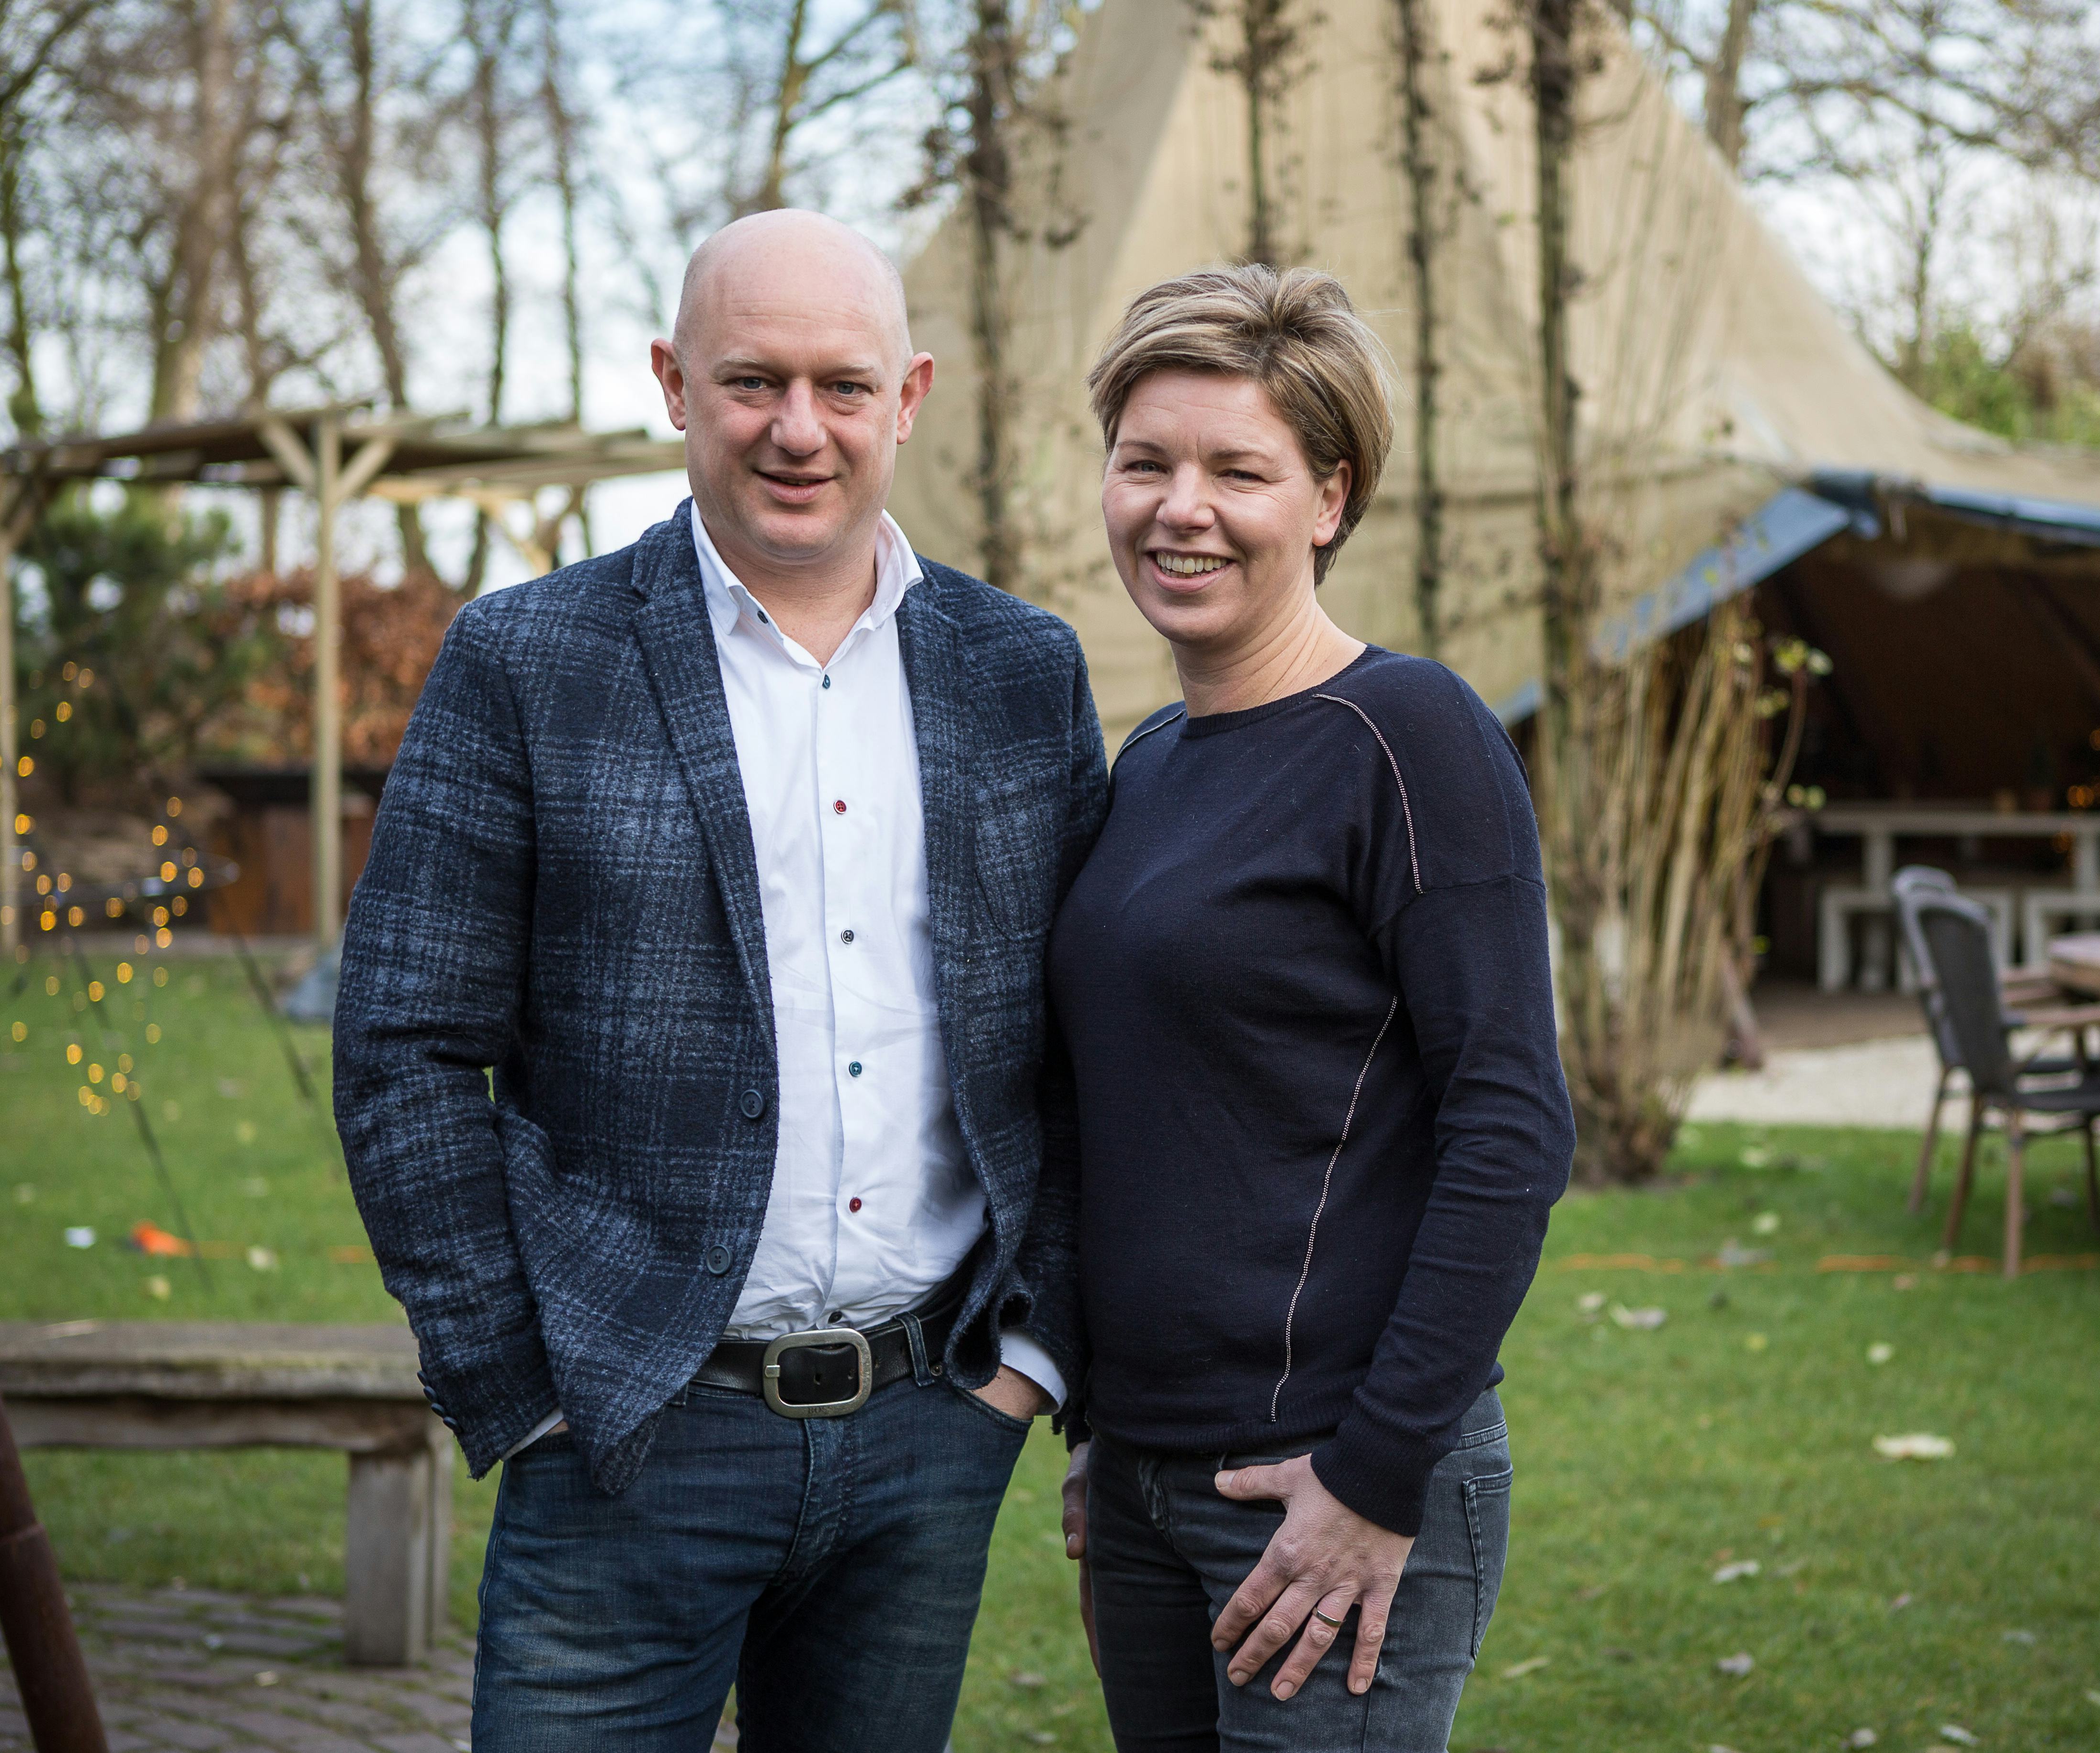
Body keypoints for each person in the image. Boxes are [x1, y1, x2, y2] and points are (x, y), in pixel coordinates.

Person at [331, 209, 1107, 1750]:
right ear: (674, 384)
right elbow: (403, 1040)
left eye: (842, 384)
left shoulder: (1023, 674)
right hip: (623, 1440)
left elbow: (1088, 1047)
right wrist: (520, 1391)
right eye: (753, 381)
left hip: (929, 1435)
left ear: (908, 396)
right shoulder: (528, 662)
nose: (797, 429)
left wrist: (1027, 1365)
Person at [1048, 262, 1575, 1753]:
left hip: (1328, 1478)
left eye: (1239, 471)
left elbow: (1510, 1126)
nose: (1180, 510)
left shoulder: (1407, 736)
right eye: (1144, 463)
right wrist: (1104, 1426)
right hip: (1143, 1479)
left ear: (1329, 499)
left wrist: (1376, 1473)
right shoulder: (1150, 762)